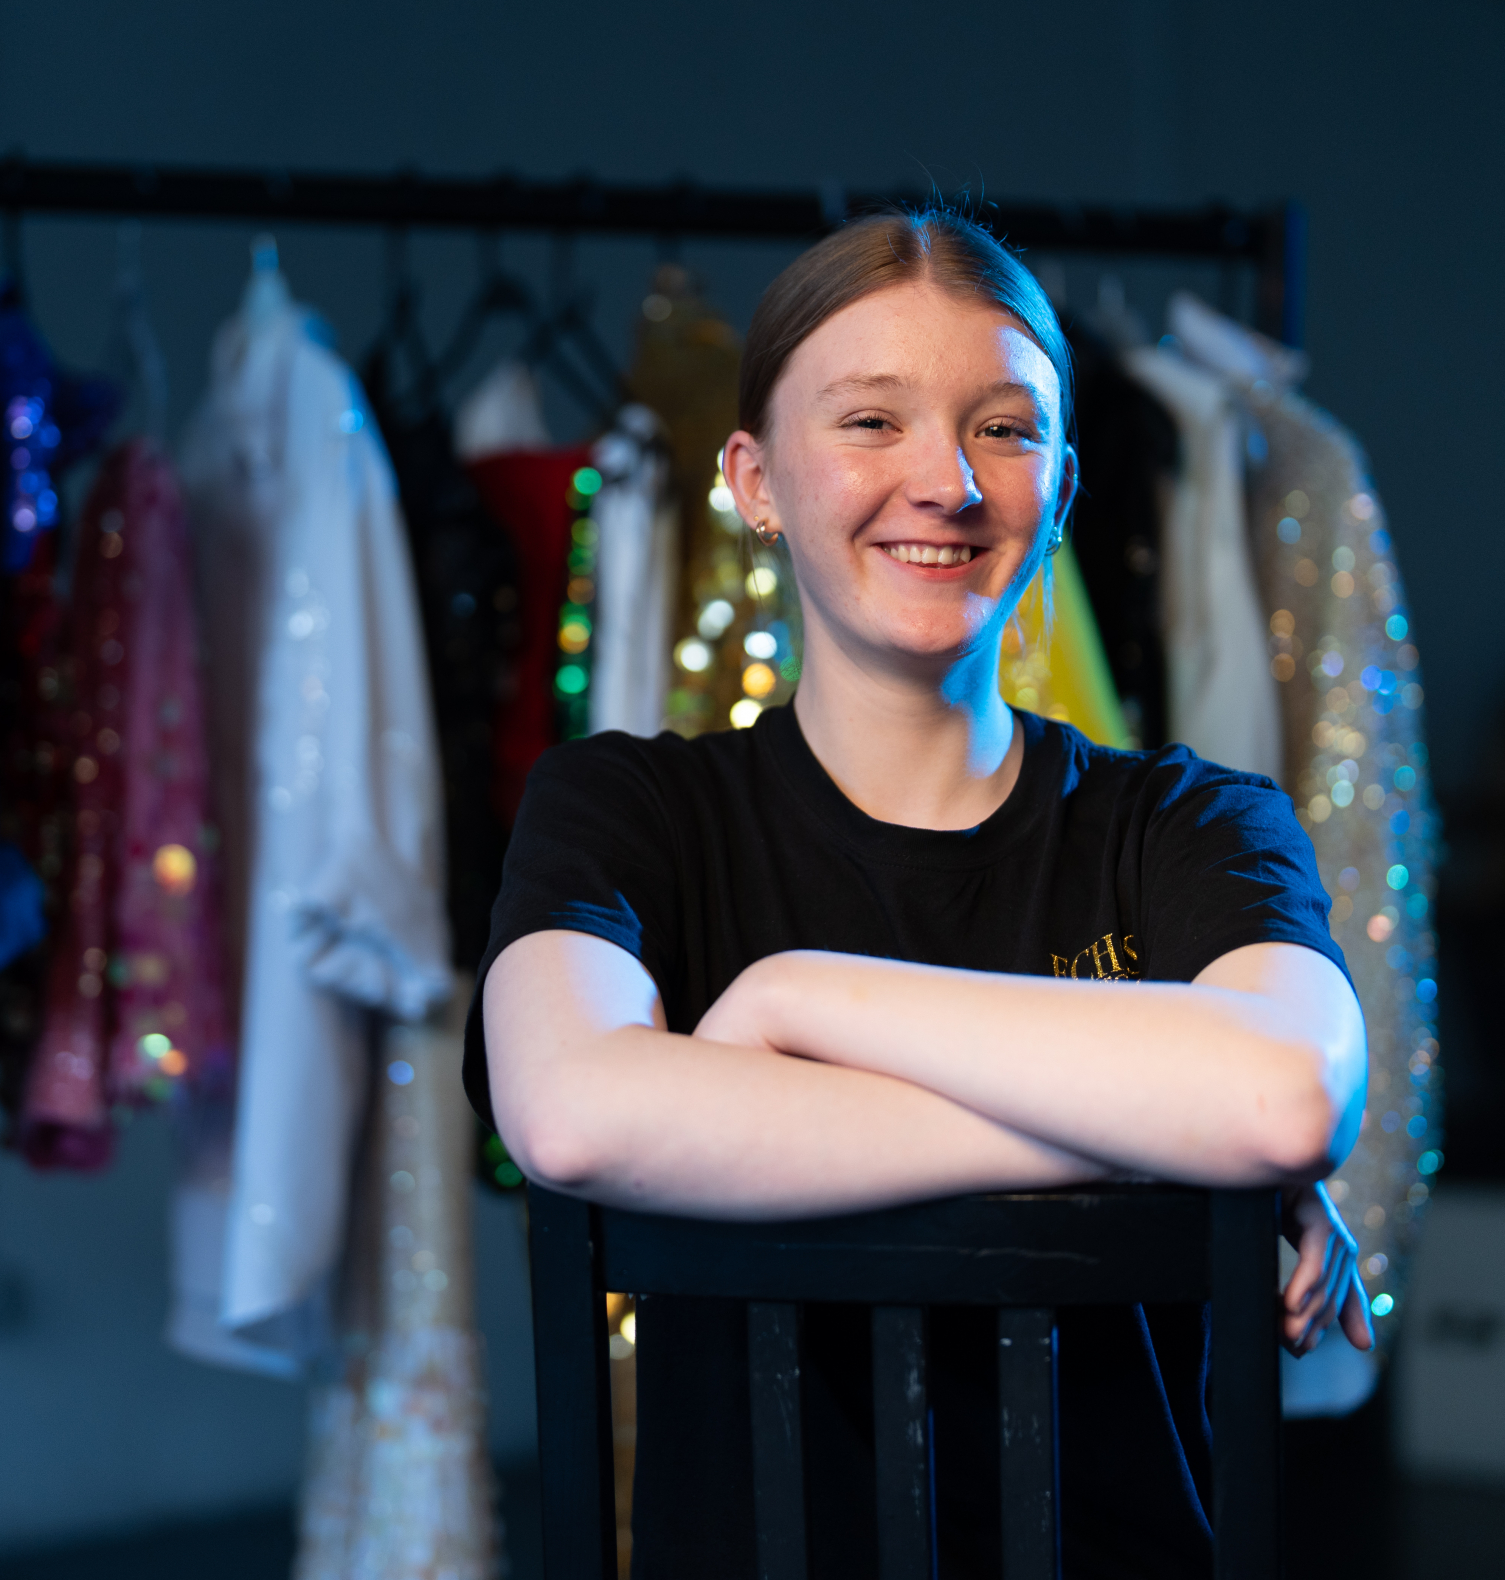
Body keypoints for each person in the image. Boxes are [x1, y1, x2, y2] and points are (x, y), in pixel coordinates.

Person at [468, 209, 1372, 1579]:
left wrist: (789, 999)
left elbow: (1284, 1098)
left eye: (1003, 430)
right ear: (753, 477)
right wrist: (1157, 1148)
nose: (943, 480)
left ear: (1063, 489)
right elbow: (574, 1115)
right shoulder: (626, 812)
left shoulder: (1189, 823)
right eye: (868, 421)